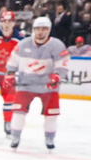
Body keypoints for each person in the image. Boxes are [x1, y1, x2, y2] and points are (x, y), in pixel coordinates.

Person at [4, 15, 69, 151]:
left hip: (48, 87)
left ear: (49, 30)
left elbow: (62, 65)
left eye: (44, 29)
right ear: (33, 29)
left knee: (51, 114)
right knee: (18, 111)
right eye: (37, 29)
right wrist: (10, 74)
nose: (40, 32)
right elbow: (12, 62)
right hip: (25, 85)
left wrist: (57, 76)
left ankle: (49, 138)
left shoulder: (57, 45)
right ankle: (15, 136)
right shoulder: (23, 44)